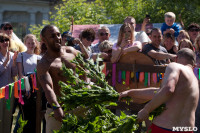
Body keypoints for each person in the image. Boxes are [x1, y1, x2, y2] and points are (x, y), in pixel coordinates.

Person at [119, 48, 199, 133]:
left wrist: (146, 109)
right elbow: (160, 93)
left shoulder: (175, 66)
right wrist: (130, 93)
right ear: (193, 65)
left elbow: (168, 90)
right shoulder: (195, 81)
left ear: (176, 58)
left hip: (165, 128)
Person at [37, 25, 80, 132]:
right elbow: (48, 88)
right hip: (58, 109)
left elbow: (86, 69)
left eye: (58, 34)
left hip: (78, 105)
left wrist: (88, 84)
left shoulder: (72, 52)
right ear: (44, 40)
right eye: (52, 36)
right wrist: (56, 107)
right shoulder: (44, 63)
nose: (57, 38)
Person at [14, 34, 42, 133]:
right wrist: (27, 87)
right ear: (25, 43)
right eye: (28, 43)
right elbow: (20, 74)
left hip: (36, 89)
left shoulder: (38, 57)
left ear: (36, 43)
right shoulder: (21, 55)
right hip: (24, 88)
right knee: (24, 115)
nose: (31, 45)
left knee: (34, 115)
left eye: (32, 42)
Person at [0, 33, 18, 133]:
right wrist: (6, 60)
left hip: (9, 91)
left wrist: (14, 61)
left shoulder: (12, 55)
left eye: (6, 40)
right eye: (2, 41)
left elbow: (14, 74)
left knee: (7, 116)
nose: (5, 42)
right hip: (0, 91)